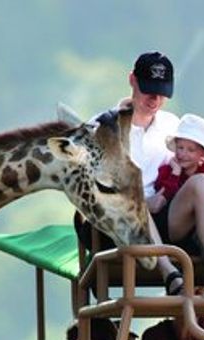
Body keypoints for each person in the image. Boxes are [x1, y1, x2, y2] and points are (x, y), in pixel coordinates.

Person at [73, 51, 186, 295]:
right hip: (116, 222)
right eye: (148, 89)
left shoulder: (172, 126)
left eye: (162, 91)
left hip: (165, 216)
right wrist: (145, 202)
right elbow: (91, 188)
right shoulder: (102, 127)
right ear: (132, 80)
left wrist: (167, 193)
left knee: (203, 184)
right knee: (132, 196)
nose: (155, 99)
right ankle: (169, 272)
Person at [151, 114, 204, 295]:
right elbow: (161, 200)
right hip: (173, 226)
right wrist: (174, 175)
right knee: (201, 182)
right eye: (180, 147)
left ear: (203, 154)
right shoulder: (168, 170)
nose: (183, 154)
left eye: (190, 150)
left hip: (203, 235)